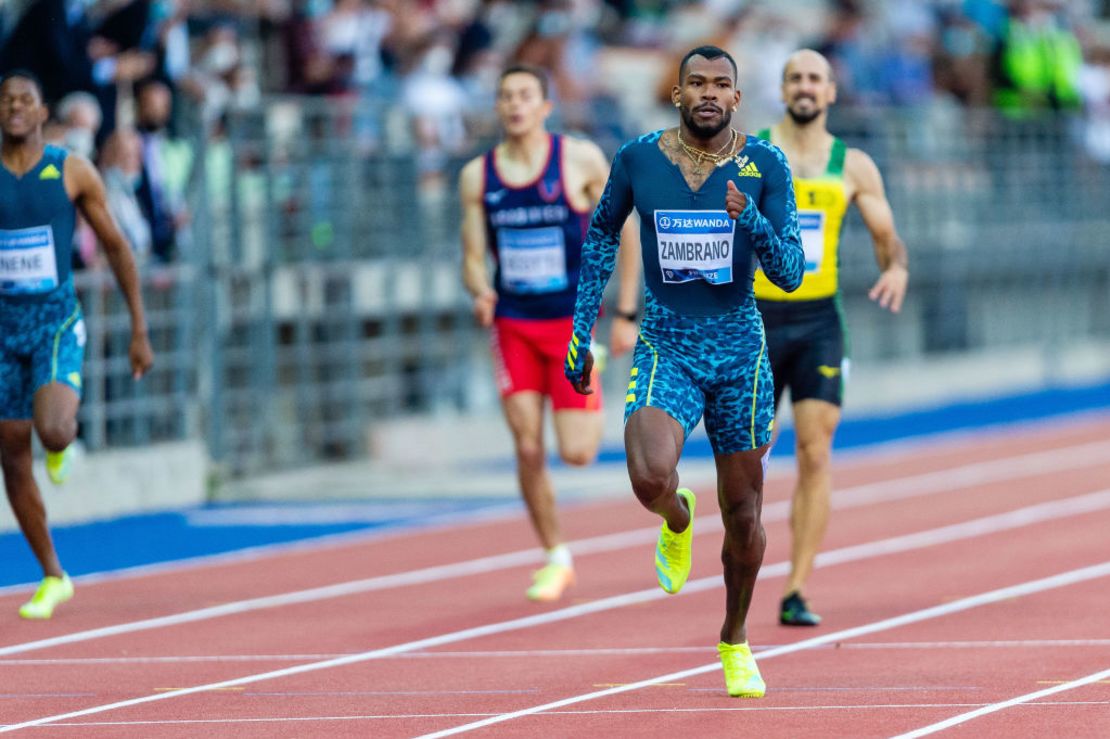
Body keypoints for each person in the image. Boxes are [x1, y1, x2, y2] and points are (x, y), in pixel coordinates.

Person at [565, 46, 804, 697]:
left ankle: (734, 638)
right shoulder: (638, 157)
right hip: (667, 343)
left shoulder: (766, 164)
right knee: (647, 476)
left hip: (738, 355)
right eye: (695, 82)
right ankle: (676, 518)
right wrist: (582, 331)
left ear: (735, 97)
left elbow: (790, 271)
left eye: (720, 84)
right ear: (677, 94)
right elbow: (601, 239)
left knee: (746, 513)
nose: (707, 92)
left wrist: (749, 218)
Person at [459, 64, 640, 603]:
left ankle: (595, 366)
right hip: (514, 322)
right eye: (505, 96)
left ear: (545, 106)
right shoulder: (478, 176)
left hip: (571, 325)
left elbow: (624, 232)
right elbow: (472, 257)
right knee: (528, 445)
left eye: (525, 96)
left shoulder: (578, 159)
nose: (514, 105)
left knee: (578, 454)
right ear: (498, 107)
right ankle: (555, 554)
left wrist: (627, 311)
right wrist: (480, 291)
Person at [753, 49, 908, 627]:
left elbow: (887, 235)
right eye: (795, 77)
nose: (805, 87)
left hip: (819, 323)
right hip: (756, 320)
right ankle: (741, 559)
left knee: (815, 451)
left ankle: (796, 587)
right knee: (750, 456)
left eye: (815, 78)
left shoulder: (854, 165)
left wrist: (896, 267)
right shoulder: (752, 154)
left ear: (831, 92)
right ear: (783, 87)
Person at [0, 71, 154, 619]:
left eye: (25, 101)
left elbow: (115, 246)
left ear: (42, 113)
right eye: (6, 101)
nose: (15, 108)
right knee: (13, 458)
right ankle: (53, 575)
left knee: (54, 429)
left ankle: (63, 443)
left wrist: (139, 329)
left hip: (55, 321)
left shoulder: (71, 170)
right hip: (3, 329)